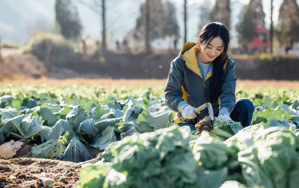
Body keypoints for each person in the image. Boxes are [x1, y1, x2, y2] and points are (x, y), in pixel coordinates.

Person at [164, 22, 254, 131]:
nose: (213, 53)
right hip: (190, 119)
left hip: (218, 118)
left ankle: (241, 135)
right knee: (191, 137)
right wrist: (183, 107)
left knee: (246, 105)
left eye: (219, 49)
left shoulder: (227, 65)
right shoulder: (181, 63)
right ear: (200, 41)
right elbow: (171, 93)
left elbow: (228, 93)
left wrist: (224, 113)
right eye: (209, 46)